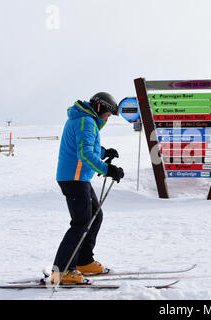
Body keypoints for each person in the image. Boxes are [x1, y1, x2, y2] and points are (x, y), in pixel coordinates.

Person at [52, 92, 125, 284]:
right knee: (81, 223)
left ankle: (84, 261)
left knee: (95, 216)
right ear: (100, 108)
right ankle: (63, 270)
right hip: (73, 179)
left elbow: (89, 146)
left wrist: (104, 152)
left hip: (78, 178)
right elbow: (84, 154)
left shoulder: (85, 120)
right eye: (108, 114)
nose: (108, 118)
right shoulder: (86, 121)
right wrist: (108, 169)